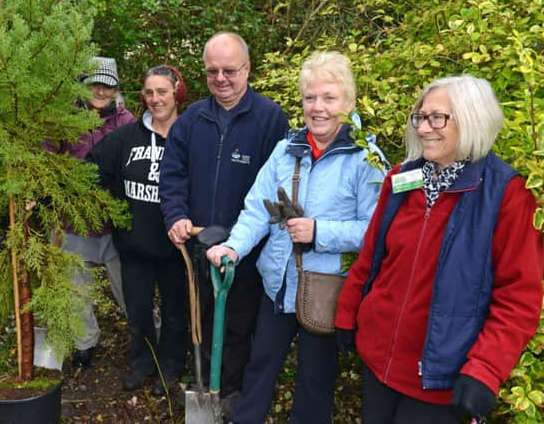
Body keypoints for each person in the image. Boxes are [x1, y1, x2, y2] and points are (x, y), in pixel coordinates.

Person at [334, 74, 544, 424]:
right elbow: (372, 257)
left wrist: (486, 369)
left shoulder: (507, 195)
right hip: (379, 360)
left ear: (472, 118)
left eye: (437, 118)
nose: (424, 128)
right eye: (420, 116)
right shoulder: (402, 178)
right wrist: (348, 313)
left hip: (441, 376)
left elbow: (519, 297)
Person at [206, 51, 385, 424]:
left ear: (348, 103)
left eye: (328, 98)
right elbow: (258, 208)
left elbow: (377, 230)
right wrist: (234, 247)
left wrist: (319, 231)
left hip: (325, 291)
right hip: (278, 284)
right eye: (310, 98)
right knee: (260, 368)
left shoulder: (364, 158)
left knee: (314, 382)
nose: (317, 107)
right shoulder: (286, 150)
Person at [159, 32, 289, 409]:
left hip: (245, 249)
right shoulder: (191, 120)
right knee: (198, 317)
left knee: (237, 323)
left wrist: (245, 239)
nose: (221, 78)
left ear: (247, 69)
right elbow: (172, 175)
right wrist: (176, 215)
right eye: (212, 71)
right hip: (198, 243)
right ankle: (203, 382)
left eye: (229, 70)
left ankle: (230, 390)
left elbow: (277, 188)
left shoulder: (270, 118)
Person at [87, 65, 189, 394]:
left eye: (162, 92)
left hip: (177, 247)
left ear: (176, 93)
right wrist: (51, 192)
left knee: (175, 314)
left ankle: (170, 368)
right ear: (142, 96)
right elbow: (94, 169)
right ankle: (142, 363)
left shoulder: (189, 135)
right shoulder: (128, 136)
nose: (156, 99)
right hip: (135, 245)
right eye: (149, 93)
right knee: (139, 312)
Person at [54, 56, 135, 368]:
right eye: (96, 84)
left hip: (114, 220)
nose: (101, 90)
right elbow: (49, 156)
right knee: (77, 290)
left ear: (116, 89)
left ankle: (147, 338)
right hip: (74, 220)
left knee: (128, 287)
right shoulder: (66, 118)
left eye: (108, 85)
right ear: (85, 84)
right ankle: (85, 343)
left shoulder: (126, 121)